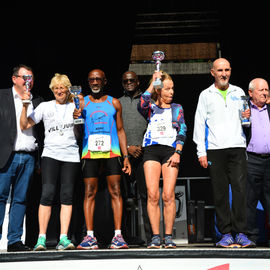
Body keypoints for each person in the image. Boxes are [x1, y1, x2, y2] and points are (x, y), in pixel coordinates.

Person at [193, 58, 255, 248]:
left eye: (227, 69)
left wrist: (247, 119)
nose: (224, 73)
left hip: (236, 147)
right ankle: (226, 234)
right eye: (220, 70)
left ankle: (241, 233)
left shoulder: (239, 92)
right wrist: (200, 152)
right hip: (215, 149)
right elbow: (199, 122)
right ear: (212, 72)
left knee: (240, 192)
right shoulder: (206, 94)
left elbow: (245, 124)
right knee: (220, 194)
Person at [20, 73, 81, 251]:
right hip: (50, 154)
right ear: (52, 90)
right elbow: (24, 125)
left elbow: (79, 133)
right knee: (47, 194)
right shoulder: (45, 106)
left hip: (70, 155)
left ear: (68, 89)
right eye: (56, 88)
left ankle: (63, 237)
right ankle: (41, 238)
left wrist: (79, 115)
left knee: (67, 196)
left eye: (62, 88)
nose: (59, 91)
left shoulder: (75, 106)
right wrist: (24, 106)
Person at [74, 69, 131, 249]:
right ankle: (89, 236)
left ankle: (118, 236)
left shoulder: (113, 102)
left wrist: (126, 156)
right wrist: (75, 116)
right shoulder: (81, 102)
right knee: (89, 192)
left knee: (116, 191)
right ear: (88, 82)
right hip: (90, 153)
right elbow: (76, 130)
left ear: (105, 81)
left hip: (112, 152)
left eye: (98, 79)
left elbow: (120, 130)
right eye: (92, 79)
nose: (95, 82)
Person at [137, 71, 187, 248]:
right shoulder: (150, 106)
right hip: (151, 149)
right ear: (159, 90)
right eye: (167, 89)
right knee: (152, 194)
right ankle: (155, 237)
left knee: (168, 195)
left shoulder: (177, 108)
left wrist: (178, 152)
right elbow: (141, 102)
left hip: (170, 151)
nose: (171, 92)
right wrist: (154, 82)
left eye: (172, 88)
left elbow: (182, 130)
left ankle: (168, 236)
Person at [0, 64, 43, 252]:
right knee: (0, 198)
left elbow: (42, 133)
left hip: (28, 157)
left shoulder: (38, 101)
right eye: (25, 77)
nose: (29, 81)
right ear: (14, 79)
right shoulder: (2, 97)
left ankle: (14, 240)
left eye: (31, 77)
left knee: (21, 199)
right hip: (5, 156)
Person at [118, 71, 152, 245]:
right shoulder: (118, 102)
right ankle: (122, 237)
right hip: (124, 155)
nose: (129, 83)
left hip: (145, 154)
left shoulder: (148, 102)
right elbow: (114, 128)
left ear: (138, 82)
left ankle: (150, 237)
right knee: (121, 197)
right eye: (125, 81)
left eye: (132, 80)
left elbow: (156, 126)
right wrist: (128, 149)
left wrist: (142, 146)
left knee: (147, 196)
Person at [244, 78, 270, 246]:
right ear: (251, 93)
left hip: (269, 160)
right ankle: (251, 238)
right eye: (261, 90)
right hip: (251, 159)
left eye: (267, 89)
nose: (265, 93)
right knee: (249, 200)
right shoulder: (243, 109)